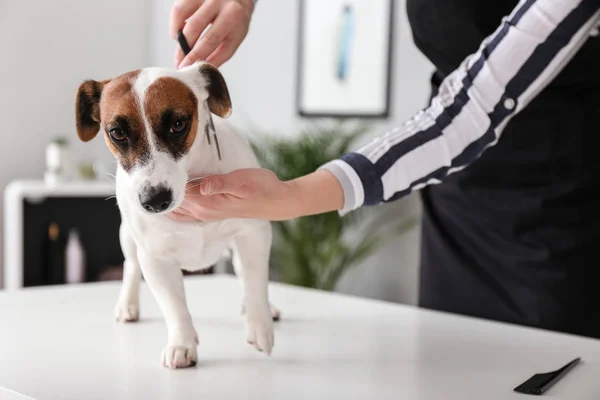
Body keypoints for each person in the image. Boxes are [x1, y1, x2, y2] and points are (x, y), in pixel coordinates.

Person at [169, 0, 600, 338]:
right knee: (454, 354)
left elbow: (464, 118)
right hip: (456, 192)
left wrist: (291, 197)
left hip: (562, 189)